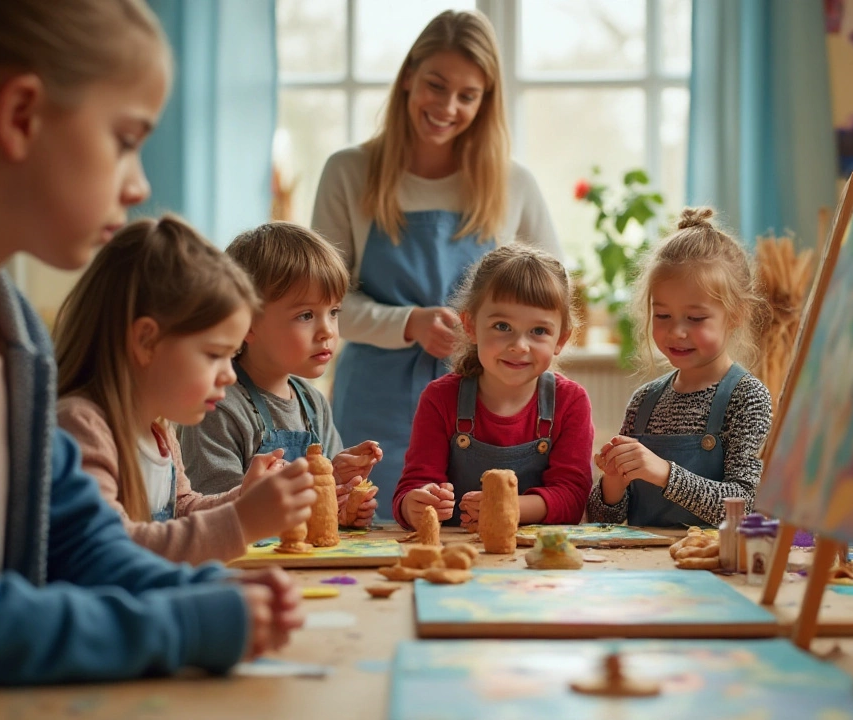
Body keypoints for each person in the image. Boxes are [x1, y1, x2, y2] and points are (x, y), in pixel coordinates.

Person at [0, 3, 298, 715]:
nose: (138, 187)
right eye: (125, 139)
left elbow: (81, 545)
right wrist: (188, 623)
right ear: (20, 116)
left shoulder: (15, 335)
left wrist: (208, 590)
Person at [311, 9, 560, 518]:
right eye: (436, 85)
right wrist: (408, 323)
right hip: (373, 404)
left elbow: (556, 294)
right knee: (367, 530)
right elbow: (321, 303)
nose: (447, 107)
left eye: (467, 95)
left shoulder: (513, 184)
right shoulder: (348, 172)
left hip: (485, 408)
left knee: (478, 530)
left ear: (485, 102)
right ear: (408, 78)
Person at [55, 217, 321, 564]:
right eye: (215, 354)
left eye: (232, 355)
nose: (228, 375)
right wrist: (242, 520)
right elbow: (108, 551)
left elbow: (183, 510)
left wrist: (243, 498)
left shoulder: (158, 430)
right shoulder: (81, 427)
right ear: (147, 341)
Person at [179, 222, 380, 527]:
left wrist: (343, 497)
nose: (327, 330)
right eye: (306, 315)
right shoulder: (216, 406)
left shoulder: (312, 404)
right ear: (247, 324)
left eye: (334, 312)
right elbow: (220, 517)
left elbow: (323, 511)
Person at [586, 207, 772, 527]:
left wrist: (664, 474)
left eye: (695, 318)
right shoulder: (644, 402)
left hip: (712, 570)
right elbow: (605, 519)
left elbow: (745, 512)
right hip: (647, 571)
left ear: (736, 314)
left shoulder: (748, 397)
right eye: (663, 316)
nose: (676, 332)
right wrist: (612, 483)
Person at [392, 244, 593, 529]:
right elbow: (413, 487)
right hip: (454, 555)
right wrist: (415, 504)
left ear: (561, 339)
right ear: (471, 325)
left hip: (536, 559)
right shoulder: (440, 398)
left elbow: (572, 497)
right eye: (502, 326)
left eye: (539, 331)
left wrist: (507, 507)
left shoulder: (570, 401)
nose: (519, 346)